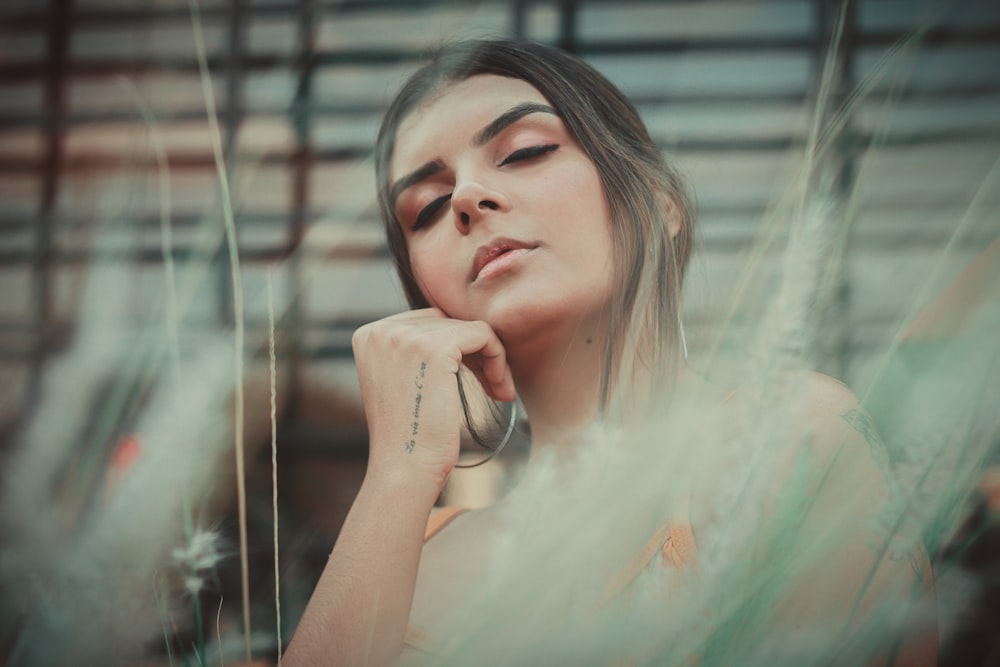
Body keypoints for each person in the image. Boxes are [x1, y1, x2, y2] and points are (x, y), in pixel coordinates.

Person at [284, 39, 936, 666]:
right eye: (425, 208)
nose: (464, 198)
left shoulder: (788, 438)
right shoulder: (405, 556)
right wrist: (399, 471)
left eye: (526, 151)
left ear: (659, 203)